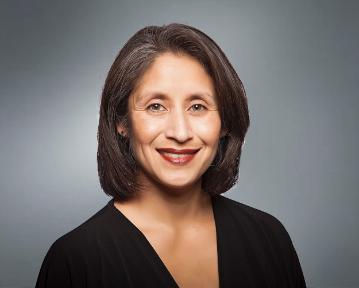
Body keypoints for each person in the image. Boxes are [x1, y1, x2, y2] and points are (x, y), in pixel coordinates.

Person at [35, 23, 306, 287]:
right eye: (156, 106)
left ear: (224, 122)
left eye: (198, 106)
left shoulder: (269, 239)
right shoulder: (75, 262)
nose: (180, 132)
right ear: (122, 122)